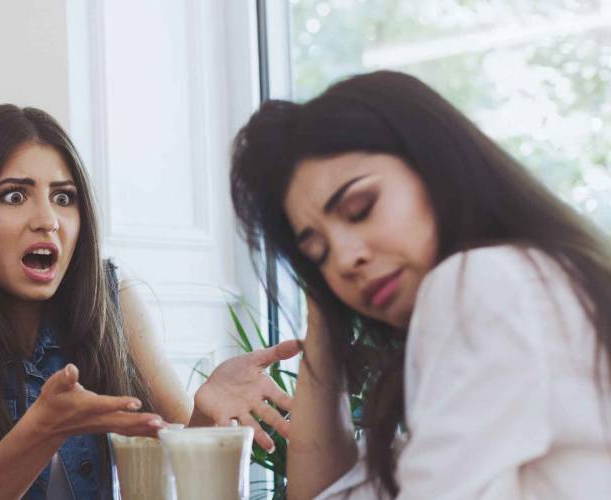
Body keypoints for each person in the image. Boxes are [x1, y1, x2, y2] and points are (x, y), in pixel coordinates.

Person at [0, 104, 300, 499]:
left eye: (63, 197)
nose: (47, 220)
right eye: (14, 196)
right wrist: (40, 432)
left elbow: (176, 457)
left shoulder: (113, 299)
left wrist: (205, 412)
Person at [229, 70, 611, 499]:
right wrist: (324, 312)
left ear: (435, 165)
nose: (346, 259)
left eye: (360, 208)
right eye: (319, 255)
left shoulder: (479, 283)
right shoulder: (533, 280)